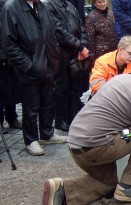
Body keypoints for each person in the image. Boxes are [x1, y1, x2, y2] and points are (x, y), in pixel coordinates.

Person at [42, 59, 131, 204]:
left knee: (109, 185)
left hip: (76, 144)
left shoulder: (123, 78)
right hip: (97, 146)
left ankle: (62, 190)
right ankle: (130, 187)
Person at [1, 0, 84, 155]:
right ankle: (31, 140)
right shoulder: (11, 8)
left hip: (49, 65)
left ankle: (47, 134)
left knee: (48, 101)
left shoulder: (42, 6)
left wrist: (55, 58)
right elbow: (9, 44)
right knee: (31, 106)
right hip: (29, 69)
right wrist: (29, 65)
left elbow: (55, 31)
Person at [45, 0, 90, 132]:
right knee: (61, 87)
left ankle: (74, 116)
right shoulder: (49, 6)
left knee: (75, 87)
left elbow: (81, 27)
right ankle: (60, 120)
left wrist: (83, 45)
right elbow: (58, 30)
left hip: (76, 53)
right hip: (60, 53)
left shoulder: (70, 6)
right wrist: (79, 46)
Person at [0, 0, 22, 133]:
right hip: (1, 64)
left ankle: (12, 117)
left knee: (12, 92)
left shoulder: (10, 21)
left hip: (11, 62)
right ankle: (0, 122)